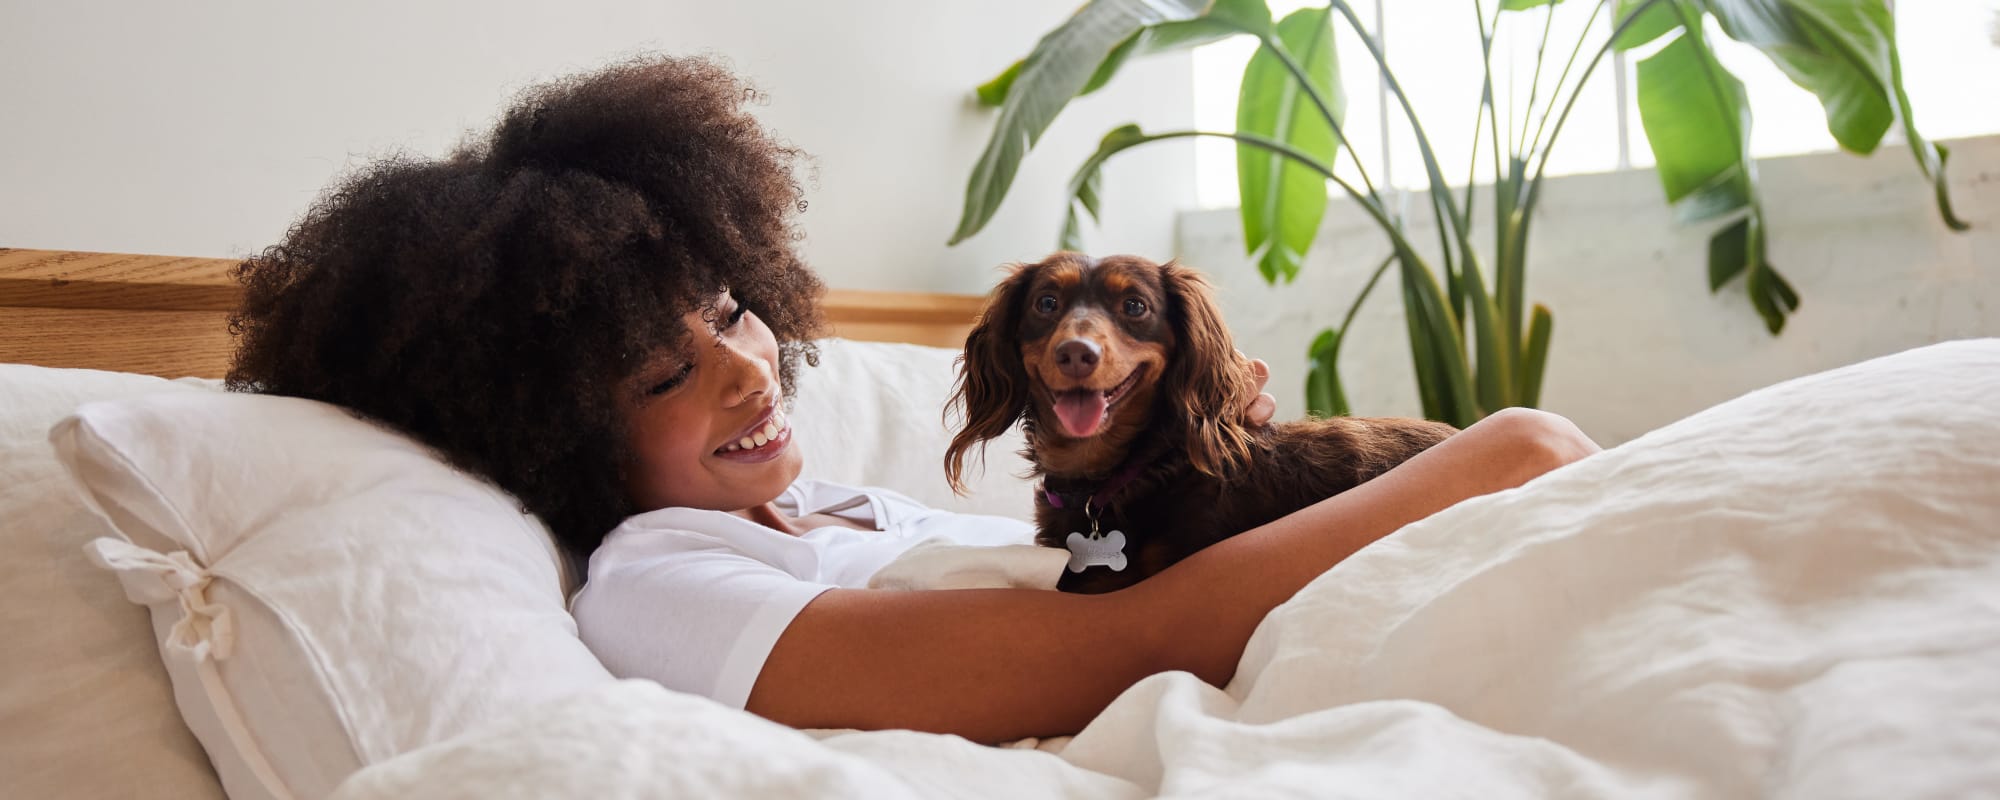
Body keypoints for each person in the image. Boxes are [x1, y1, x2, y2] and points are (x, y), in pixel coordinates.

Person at [226, 55, 1601, 744]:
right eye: (664, 370)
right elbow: (1119, 646)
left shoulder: (834, 506)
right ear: (553, 430)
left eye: (729, 311)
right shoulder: (658, 580)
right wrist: (1490, 455)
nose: (751, 367)